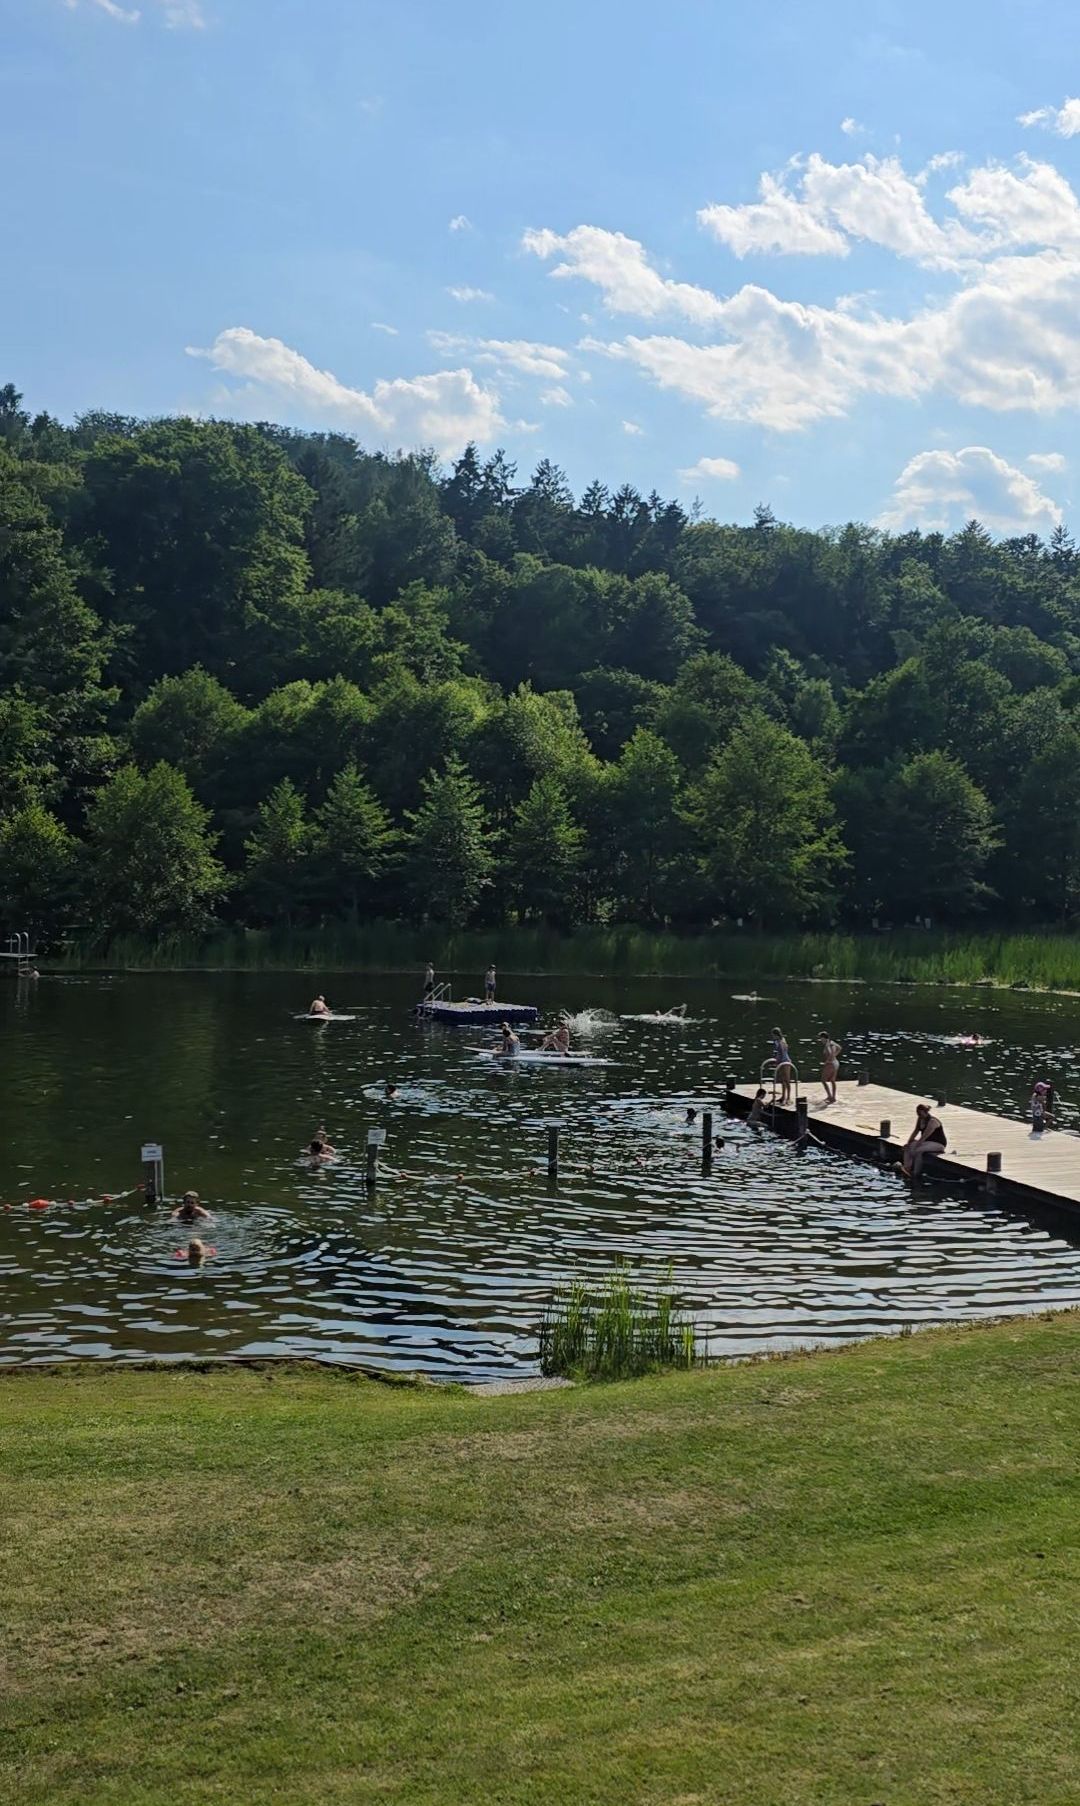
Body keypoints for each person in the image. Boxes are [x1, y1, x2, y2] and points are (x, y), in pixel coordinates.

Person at [901, 1104, 948, 1180]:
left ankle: (916, 1173)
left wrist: (916, 1147)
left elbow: (924, 1137)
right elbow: (916, 1131)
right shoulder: (920, 1119)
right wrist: (908, 1143)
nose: (919, 1115)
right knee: (908, 1147)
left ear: (925, 1112)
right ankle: (907, 1167)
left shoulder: (932, 1122)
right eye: (917, 1113)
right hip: (927, 1142)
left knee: (918, 1150)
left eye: (920, 1113)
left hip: (938, 1144)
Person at [771, 1028, 793, 1105]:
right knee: (782, 1080)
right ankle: (783, 1096)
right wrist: (776, 1061)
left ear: (777, 1035)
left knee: (787, 1080)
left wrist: (778, 1061)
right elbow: (777, 1053)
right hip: (780, 1061)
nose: (773, 1037)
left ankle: (788, 1098)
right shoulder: (776, 1041)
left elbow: (783, 1052)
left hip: (785, 1061)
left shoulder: (782, 1041)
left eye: (773, 1035)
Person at [818, 1031, 841, 1104]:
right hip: (836, 1063)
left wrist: (827, 1061)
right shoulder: (832, 1042)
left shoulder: (828, 1044)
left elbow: (831, 1053)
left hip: (830, 1064)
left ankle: (830, 1096)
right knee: (832, 1081)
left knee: (823, 1080)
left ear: (824, 1038)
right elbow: (839, 1048)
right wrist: (835, 1055)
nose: (820, 1040)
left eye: (821, 1038)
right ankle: (833, 1097)